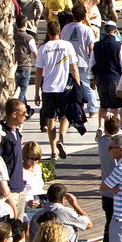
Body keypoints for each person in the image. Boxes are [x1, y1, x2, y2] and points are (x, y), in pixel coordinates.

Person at [35, 20, 82, 160]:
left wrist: (37, 92)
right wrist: (78, 85)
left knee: (50, 119)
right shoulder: (67, 46)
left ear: (47, 32)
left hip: (48, 88)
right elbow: (74, 67)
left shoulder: (43, 48)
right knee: (65, 116)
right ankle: (61, 138)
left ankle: (53, 150)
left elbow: (39, 72)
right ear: (59, 31)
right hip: (63, 88)